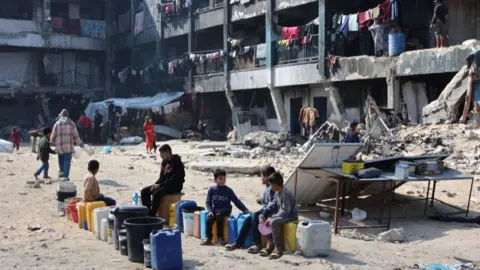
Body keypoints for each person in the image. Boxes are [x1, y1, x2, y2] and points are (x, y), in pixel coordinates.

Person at [225, 166, 276, 253]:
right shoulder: (268, 187)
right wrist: (261, 201)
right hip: (266, 210)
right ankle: (238, 243)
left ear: (267, 177)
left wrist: (266, 214)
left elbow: (273, 204)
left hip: (271, 212)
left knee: (256, 215)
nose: (261, 178)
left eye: (262, 176)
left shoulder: (272, 188)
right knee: (248, 219)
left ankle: (257, 244)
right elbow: (267, 201)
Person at [202, 169, 250, 246]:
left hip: (225, 210)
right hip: (215, 210)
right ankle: (209, 238)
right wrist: (210, 211)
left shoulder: (228, 190)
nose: (223, 180)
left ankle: (220, 238)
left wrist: (245, 210)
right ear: (215, 180)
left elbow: (236, 201)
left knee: (219, 216)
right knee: (209, 218)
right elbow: (208, 202)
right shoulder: (211, 189)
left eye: (224, 178)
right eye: (220, 178)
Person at [259, 172, 298, 259]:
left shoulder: (286, 194)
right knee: (265, 218)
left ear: (276, 185)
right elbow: (272, 205)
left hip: (291, 216)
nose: (270, 187)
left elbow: (285, 212)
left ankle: (278, 248)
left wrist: (272, 217)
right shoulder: (277, 193)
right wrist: (263, 214)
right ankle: (270, 243)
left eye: (271, 185)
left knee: (274, 221)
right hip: (283, 214)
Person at [141, 144, 185, 216]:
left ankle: (152, 215)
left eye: (162, 154)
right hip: (164, 184)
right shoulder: (164, 162)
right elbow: (161, 177)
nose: (161, 156)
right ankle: (147, 212)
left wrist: (160, 185)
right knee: (144, 191)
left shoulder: (177, 162)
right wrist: (155, 184)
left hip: (175, 185)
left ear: (167, 152)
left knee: (156, 194)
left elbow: (175, 179)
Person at [50, 109, 83, 180]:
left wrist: (52, 141)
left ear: (61, 116)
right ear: (68, 116)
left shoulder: (57, 124)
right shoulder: (72, 123)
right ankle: (65, 176)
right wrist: (80, 143)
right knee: (67, 161)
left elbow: (53, 134)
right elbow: (76, 135)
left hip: (59, 146)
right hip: (69, 146)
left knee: (61, 159)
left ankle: (61, 171)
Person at [460, 50, 480, 123]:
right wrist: (464, 115)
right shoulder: (471, 72)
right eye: (473, 61)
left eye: (475, 60)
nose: (474, 63)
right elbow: (468, 95)